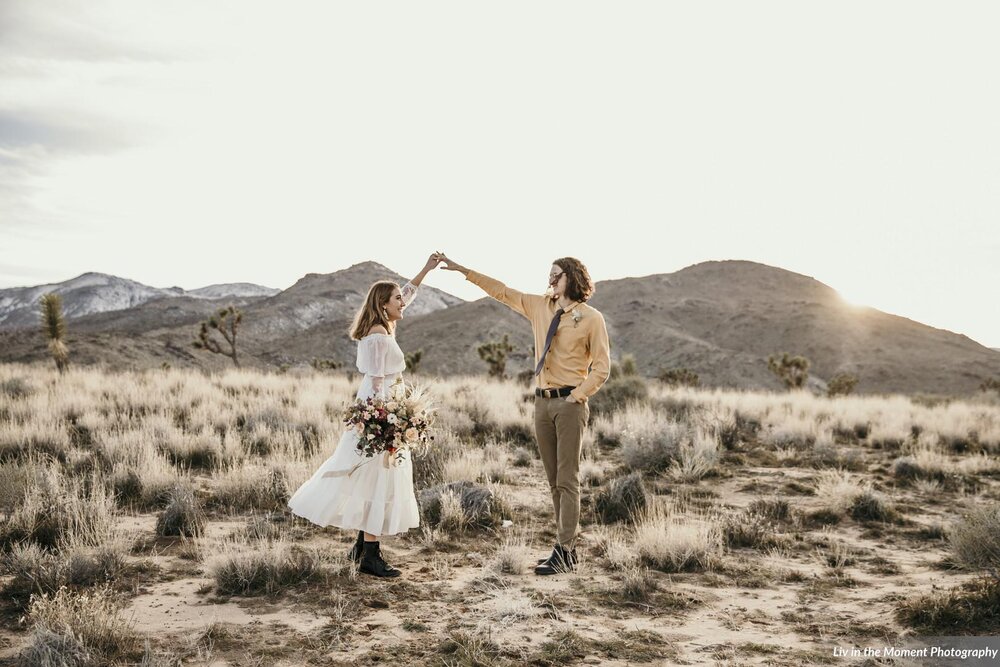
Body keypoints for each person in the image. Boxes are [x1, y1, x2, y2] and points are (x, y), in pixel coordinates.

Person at [438, 254, 610, 575]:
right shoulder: (539, 307)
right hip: (541, 404)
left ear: (571, 278)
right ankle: (567, 550)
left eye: (556, 276)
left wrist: (578, 395)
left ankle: (564, 549)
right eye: (549, 275)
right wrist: (464, 270)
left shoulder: (591, 318)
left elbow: (602, 367)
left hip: (570, 404)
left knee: (567, 478)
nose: (550, 281)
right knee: (553, 480)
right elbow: (501, 291)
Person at [288, 254, 440, 578]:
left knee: (373, 478)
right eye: (397, 298)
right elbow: (374, 381)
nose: (404, 301)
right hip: (379, 415)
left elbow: (409, 294)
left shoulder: (385, 325)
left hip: (383, 411)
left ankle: (361, 548)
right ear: (384, 304)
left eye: (401, 296)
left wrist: (426, 269)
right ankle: (370, 556)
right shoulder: (376, 336)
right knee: (378, 479)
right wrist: (384, 422)